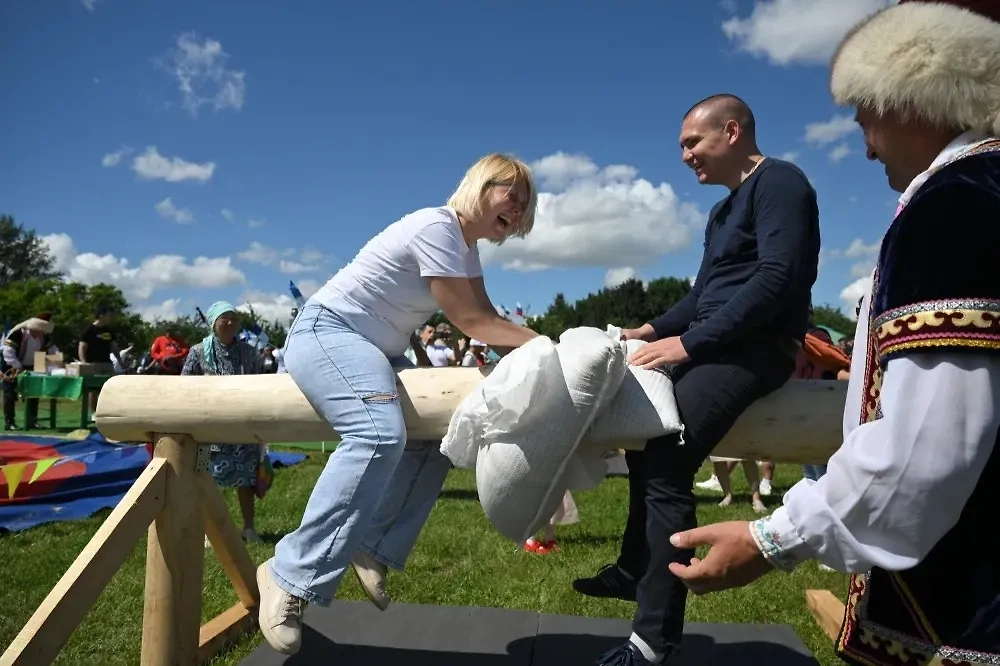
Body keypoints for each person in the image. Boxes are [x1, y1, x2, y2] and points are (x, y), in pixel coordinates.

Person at [665, 3, 1000, 664]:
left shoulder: (956, 208)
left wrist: (776, 538)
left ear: (908, 100)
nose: (861, 137)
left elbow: (925, 451)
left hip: (968, 604)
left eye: (865, 111)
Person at [256, 153, 541, 655]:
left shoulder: (466, 250)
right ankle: (287, 573)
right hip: (329, 330)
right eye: (510, 196)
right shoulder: (438, 226)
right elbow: (473, 324)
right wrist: (551, 348)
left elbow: (487, 317)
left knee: (440, 434)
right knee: (377, 435)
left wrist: (539, 353)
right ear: (479, 186)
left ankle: (373, 545)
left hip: (375, 349)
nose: (517, 210)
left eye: (525, 205)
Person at [573, 94, 820, 666]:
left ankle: (652, 640)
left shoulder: (782, 182)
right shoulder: (721, 210)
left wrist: (685, 344)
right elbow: (705, 296)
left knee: (665, 456)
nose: (684, 156)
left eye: (692, 143)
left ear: (732, 132)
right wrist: (649, 328)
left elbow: (780, 278)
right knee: (645, 437)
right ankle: (637, 566)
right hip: (716, 345)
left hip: (757, 349)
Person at [181, 302, 266, 544]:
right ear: (212, 323)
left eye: (233, 318)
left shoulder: (249, 352)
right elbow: (184, 384)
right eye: (223, 318)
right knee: (207, 481)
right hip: (210, 427)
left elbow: (260, 383)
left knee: (247, 479)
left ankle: (249, 528)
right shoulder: (198, 352)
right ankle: (210, 530)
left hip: (242, 426)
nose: (229, 322)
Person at [1, 316, 54, 430]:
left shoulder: (43, 337)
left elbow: (53, 351)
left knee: (33, 394)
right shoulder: (18, 334)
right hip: (13, 367)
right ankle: (9, 422)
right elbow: (8, 353)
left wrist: (57, 360)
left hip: (32, 367)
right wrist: (18, 367)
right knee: (10, 394)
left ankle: (32, 420)